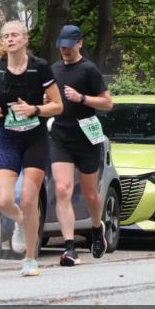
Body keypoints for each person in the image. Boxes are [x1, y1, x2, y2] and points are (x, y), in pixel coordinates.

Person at [0, 20, 63, 276]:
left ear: (25, 39)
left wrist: (34, 110)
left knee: (29, 200)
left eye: (15, 35)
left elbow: (58, 106)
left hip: (35, 139)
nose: (10, 39)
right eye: (6, 36)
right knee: (4, 200)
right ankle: (19, 222)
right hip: (9, 138)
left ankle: (30, 259)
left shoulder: (40, 68)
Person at [49, 24, 114, 266]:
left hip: (86, 136)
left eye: (68, 45)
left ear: (79, 43)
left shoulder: (89, 70)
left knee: (89, 193)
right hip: (61, 136)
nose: (64, 50)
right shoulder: (53, 69)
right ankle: (69, 248)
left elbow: (108, 104)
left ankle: (97, 228)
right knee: (63, 189)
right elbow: (49, 100)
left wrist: (82, 98)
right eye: (61, 45)